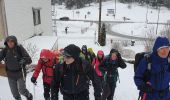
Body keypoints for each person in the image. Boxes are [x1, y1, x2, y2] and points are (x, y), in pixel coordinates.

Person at [0, 36, 32, 100]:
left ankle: (29, 96)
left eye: (12, 41)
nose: (10, 43)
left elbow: (29, 59)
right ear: (6, 43)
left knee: (22, 90)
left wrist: (23, 60)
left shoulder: (19, 48)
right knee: (14, 93)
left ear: (15, 42)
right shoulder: (5, 50)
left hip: (20, 73)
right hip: (10, 74)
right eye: (8, 42)